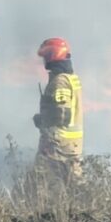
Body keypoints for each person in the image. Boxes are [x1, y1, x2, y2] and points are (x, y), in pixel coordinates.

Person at [32, 37, 83, 194]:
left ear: (53, 55)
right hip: (73, 143)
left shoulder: (60, 81)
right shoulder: (71, 78)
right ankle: (81, 209)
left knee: (37, 180)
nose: (45, 60)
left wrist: (42, 120)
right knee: (75, 184)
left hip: (57, 141)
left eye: (46, 56)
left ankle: (35, 210)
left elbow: (61, 114)